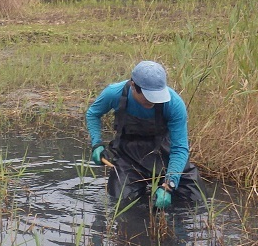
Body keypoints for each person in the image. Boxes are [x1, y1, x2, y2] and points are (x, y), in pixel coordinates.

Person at [86, 60, 203, 208]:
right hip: (128, 158)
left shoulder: (174, 104)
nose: (153, 101)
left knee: (197, 200)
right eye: (148, 96)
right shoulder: (114, 93)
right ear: (133, 86)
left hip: (164, 154)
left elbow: (179, 148)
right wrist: (96, 143)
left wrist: (169, 184)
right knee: (121, 203)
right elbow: (93, 114)